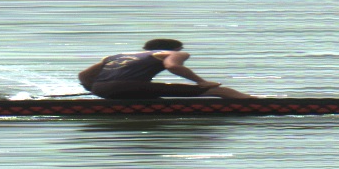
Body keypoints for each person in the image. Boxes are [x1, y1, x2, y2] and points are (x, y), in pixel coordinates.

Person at [77, 38, 255, 100]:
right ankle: (255, 103)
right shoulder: (171, 53)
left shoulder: (115, 56)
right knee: (221, 90)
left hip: (100, 89)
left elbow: (84, 76)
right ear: (176, 48)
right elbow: (173, 66)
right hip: (128, 87)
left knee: (152, 91)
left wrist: (95, 90)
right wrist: (201, 82)